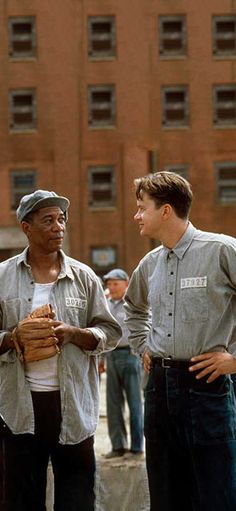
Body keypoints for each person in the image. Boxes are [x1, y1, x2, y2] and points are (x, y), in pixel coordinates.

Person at [0, 189, 121, 511]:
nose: (59, 227)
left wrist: (74, 334)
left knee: (78, 496)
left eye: (62, 220)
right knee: (20, 498)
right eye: (48, 220)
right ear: (27, 227)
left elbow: (111, 331)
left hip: (73, 405)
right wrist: (14, 338)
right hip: (19, 408)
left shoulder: (84, 277)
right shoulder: (2, 277)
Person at [124, 171, 236, 511]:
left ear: (166, 211)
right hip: (158, 389)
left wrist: (235, 359)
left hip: (207, 388)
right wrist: (142, 345)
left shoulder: (221, 250)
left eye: (142, 207)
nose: (136, 215)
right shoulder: (149, 264)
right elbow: (133, 308)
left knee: (216, 495)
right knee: (166, 495)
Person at [103, 268, 144, 459]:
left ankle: (137, 447)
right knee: (113, 403)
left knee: (135, 403)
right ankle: (118, 446)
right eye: (109, 284)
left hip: (131, 355)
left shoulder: (133, 303)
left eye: (115, 283)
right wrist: (100, 359)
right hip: (111, 355)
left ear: (126, 284)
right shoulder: (106, 305)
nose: (111, 287)